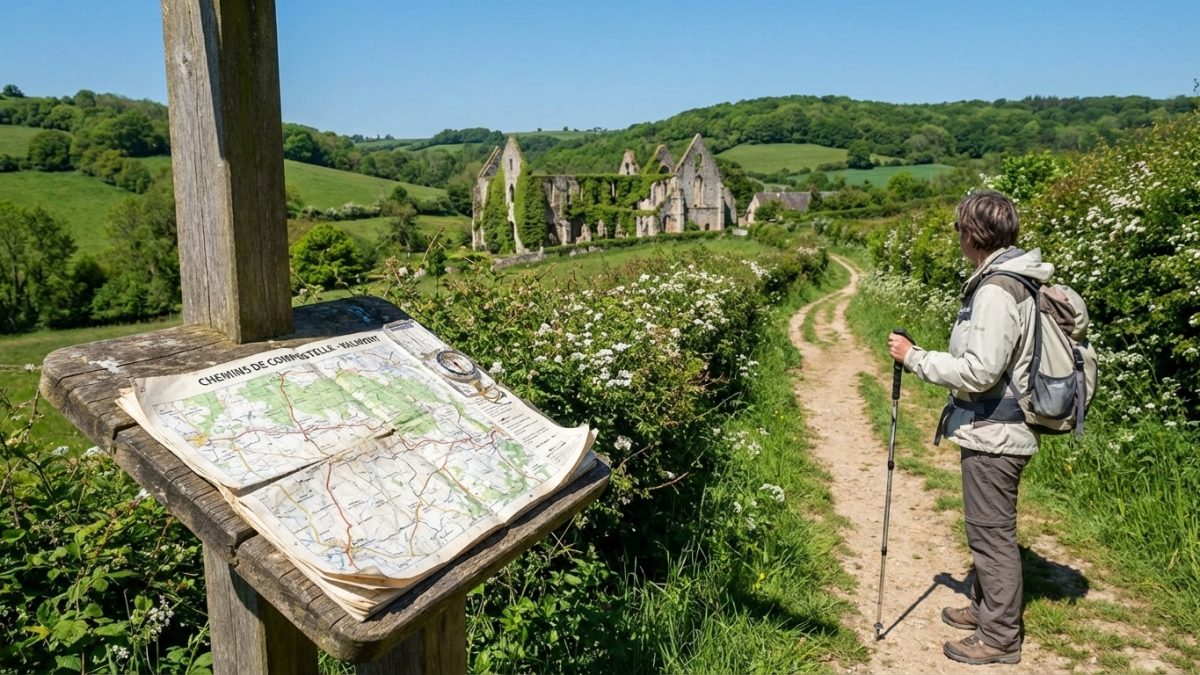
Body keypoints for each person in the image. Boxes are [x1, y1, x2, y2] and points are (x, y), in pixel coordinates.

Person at [887, 190, 1053, 666]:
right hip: (996, 429)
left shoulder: (999, 289)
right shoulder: (1010, 278)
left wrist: (914, 358)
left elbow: (981, 370)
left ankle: (1000, 637)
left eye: (959, 227)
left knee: (991, 534)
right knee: (988, 528)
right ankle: (985, 609)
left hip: (996, 434)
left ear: (972, 233)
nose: (957, 236)